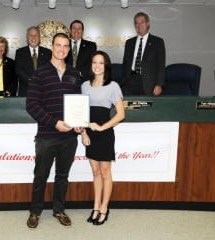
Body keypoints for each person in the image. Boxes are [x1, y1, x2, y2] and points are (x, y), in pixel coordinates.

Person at [26, 32, 82, 228]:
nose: (62, 49)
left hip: (69, 137)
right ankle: (35, 212)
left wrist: (79, 123)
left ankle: (59, 210)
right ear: (52, 47)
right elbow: (32, 105)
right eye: (58, 45)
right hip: (47, 136)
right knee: (40, 176)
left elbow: (79, 106)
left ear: (69, 49)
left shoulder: (75, 74)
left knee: (62, 176)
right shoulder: (40, 73)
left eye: (66, 46)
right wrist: (54, 122)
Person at [81, 51, 125, 225]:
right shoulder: (84, 85)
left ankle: (105, 208)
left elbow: (121, 114)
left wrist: (101, 127)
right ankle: (96, 207)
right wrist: (83, 133)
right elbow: (81, 112)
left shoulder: (113, 86)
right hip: (89, 134)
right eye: (94, 62)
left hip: (105, 133)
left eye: (101, 63)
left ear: (106, 66)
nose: (97, 66)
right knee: (95, 173)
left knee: (105, 173)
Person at [122, 12, 166, 96]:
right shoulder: (129, 42)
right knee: (130, 108)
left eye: (142, 22)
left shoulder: (157, 42)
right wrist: (124, 80)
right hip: (130, 81)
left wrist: (159, 84)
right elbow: (125, 63)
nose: (139, 25)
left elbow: (161, 65)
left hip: (149, 83)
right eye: (136, 23)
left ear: (148, 23)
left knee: (147, 108)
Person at [15, 26, 51, 96]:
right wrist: (32, 81)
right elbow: (18, 70)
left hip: (44, 91)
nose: (33, 37)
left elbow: (49, 70)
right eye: (31, 35)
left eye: (36, 35)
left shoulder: (47, 52)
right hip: (26, 91)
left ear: (39, 38)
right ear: (27, 38)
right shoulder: (20, 52)